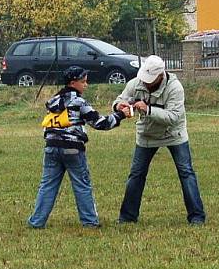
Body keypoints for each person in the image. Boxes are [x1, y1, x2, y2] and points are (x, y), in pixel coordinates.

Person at [28, 66, 129, 228]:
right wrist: (120, 115)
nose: (86, 85)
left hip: (51, 147)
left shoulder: (53, 101)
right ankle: (89, 222)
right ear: (73, 83)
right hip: (72, 148)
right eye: (83, 81)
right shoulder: (79, 102)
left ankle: (37, 221)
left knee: (47, 185)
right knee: (82, 185)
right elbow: (100, 123)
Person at [113, 55, 206, 225]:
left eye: (150, 79)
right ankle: (127, 217)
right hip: (146, 136)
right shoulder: (135, 83)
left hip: (174, 135)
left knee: (186, 173)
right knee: (136, 174)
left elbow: (173, 117)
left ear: (161, 76)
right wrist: (119, 106)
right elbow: (121, 98)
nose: (146, 82)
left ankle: (197, 217)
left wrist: (148, 110)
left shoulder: (175, 88)